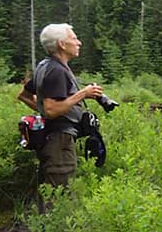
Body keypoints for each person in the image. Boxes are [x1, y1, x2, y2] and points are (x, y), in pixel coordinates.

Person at [18, 24, 104, 190]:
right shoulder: (56, 70)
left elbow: (24, 95)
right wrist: (83, 94)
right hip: (59, 140)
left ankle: (42, 216)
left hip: (51, 138)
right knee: (60, 192)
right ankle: (51, 217)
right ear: (62, 44)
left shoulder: (45, 65)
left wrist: (42, 109)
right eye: (73, 38)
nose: (79, 43)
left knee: (51, 188)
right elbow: (51, 110)